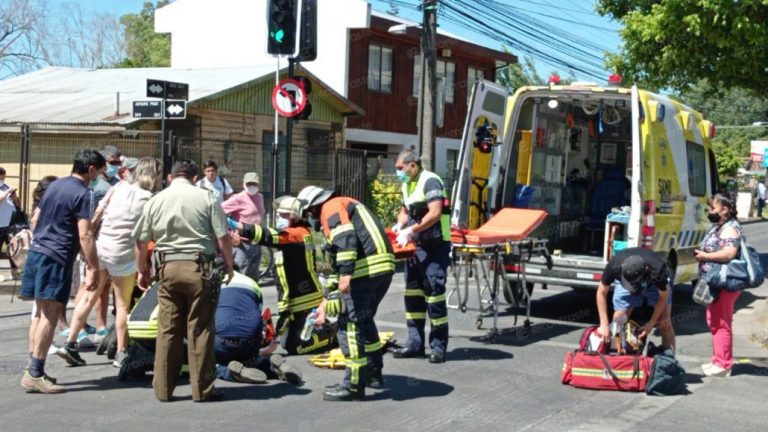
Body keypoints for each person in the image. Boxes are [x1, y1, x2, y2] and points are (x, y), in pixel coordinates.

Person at [133, 159, 234, 402]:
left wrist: (141, 270)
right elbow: (223, 236)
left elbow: (140, 240)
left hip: (166, 269)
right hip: (201, 268)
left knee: (168, 329)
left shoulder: (155, 200)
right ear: (194, 178)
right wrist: (229, 265)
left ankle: (163, 390)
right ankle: (202, 390)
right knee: (200, 328)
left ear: (170, 177)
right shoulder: (206, 197)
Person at [56, 158, 160, 368]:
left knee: (89, 294)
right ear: (154, 176)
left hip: (102, 247)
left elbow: (97, 214)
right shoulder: (149, 198)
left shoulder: (118, 187)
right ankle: (121, 352)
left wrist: (90, 243)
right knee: (122, 304)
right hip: (123, 254)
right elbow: (142, 239)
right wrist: (142, 269)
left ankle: (70, 342)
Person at [19, 149, 105, 394]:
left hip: (38, 251)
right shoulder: (85, 193)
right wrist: (93, 268)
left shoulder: (55, 186)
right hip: (56, 256)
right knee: (51, 314)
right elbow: (85, 234)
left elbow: (36, 218)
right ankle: (35, 373)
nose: (99, 176)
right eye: (99, 172)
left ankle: (33, 369)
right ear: (90, 170)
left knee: (40, 313)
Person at [297, 185, 394, 402]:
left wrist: (347, 273)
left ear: (313, 206)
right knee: (364, 320)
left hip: (364, 271)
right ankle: (373, 373)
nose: (311, 220)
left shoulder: (330, 206)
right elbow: (336, 265)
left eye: (308, 214)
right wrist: (324, 302)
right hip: (381, 269)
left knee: (348, 324)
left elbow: (345, 239)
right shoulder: (347, 204)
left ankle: (353, 385)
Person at [237, 195, 336, 355]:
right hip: (294, 299)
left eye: (283, 215)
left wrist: (242, 227)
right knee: (281, 338)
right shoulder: (296, 232)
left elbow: (271, 236)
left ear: (295, 215)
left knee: (295, 346)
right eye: (278, 215)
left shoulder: (296, 234)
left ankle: (331, 333)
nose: (279, 218)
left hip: (306, 299)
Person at [391, 149, 451, 364]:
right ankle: (414, 344)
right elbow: (405, 210)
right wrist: (400, 224)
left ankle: (438, 348)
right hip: (415, 247)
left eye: (400, 168)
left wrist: (412, 230)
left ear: (412, 165)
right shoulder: (408, 184)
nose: (398, 172)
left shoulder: (430, 181)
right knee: (413, 294)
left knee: (434, 294)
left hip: (435, 246)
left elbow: (434, 213)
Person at [214, 270, 302, 385]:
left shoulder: (211, 284)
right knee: (251, 359)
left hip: (221, 344)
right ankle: (270, 365)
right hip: (250, 342)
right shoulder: (251, 283)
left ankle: (230, 373)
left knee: (206, 364)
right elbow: (262, 321)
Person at [694, 193, 743, 377]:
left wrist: (705, 256)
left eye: (713, 208)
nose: (710, 212)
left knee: (721, 322)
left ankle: (724, 364)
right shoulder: (719, 227)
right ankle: (718, 359)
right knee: (713, 320)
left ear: (725, 209)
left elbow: (729, 253)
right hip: (715, 281)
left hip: (725, 282)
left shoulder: (730, 229)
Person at [596, 247, 675, 351]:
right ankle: (616, 354)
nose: (633, 290)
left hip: (653, 285)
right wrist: (604, 324)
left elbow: (663, 297)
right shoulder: (615, 266)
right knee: (619, 319)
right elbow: (601, 292)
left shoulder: (657, 271)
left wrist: (651, 323)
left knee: (665, 323)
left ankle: (669, 360)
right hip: (628, 279)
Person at [222, 172, 266, 280]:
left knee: (254, 278)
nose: (252, 186)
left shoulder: (260, 197)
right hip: (243, 244)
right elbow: (218, 212)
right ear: (244, 184)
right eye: (249, 183)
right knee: (241, 277)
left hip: (257, 242)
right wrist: (231, 229)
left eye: (254, 184)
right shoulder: (238, 198)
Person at [0, 166, 21, 264]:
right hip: (0, 223)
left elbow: (16, 203)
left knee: (12, 248)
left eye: (4, 177)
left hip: (10, 224)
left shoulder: (6, 186)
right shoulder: (5, 188)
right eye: (1, 178)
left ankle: (14, 271)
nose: (3, 180)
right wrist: (8, 191)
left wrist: (15, 197)